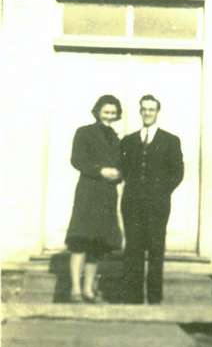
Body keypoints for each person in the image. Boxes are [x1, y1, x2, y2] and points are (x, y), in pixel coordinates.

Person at [121, 94, 184, 304]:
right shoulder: (129, 141)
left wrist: (161, 192)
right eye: (144, 109)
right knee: (134, 247)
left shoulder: (170, 140)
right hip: (131, 203)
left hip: (158, 204)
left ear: (157, 112)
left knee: (156, 248)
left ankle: (155, 297)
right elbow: (123, 169)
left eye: (151, 109)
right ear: (140, 111)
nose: (147, 113)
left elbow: (177, 173)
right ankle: (133, 298)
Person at [65, 94, 123, 303]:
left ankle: (88, 289)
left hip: (107, 195)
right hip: (88, 192)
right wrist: (100, 171)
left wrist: (118, 174)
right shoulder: (84, 132)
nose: (109, 116)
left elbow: (121, 164)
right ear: (97, 112)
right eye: (106, 112)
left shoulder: (116, 138)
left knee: (97, 244)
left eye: (113, 113)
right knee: (81, 240)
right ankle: (75, 289)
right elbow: (77, 160)